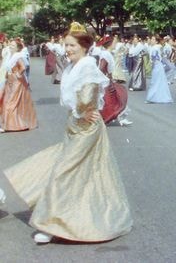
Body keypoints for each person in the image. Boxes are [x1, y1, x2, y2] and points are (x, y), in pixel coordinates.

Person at [3, 22, 132, 244]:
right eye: (66, 45)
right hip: (74, 125)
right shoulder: (74, 66)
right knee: (77, 174)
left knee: (64, 172)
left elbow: (88, 95)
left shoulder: (88, 65)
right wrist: (78, 114)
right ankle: (74, 218)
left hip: (86, 128)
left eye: (72, 45)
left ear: (84, 46)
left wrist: (84, 112)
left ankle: (51, 223)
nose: (67, 49)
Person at [0, 39, 38, 132]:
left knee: (11, 102)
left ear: (17, 48)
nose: (10, 46)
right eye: (10, 45)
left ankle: (8, 126)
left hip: (16, 83)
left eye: (13, 45)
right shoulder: (10, 55)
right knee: (6, 101)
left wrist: (16, 75)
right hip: (9, 82)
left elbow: (23, 68)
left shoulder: (18, 56)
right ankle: (13, 124)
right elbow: (8, 68)